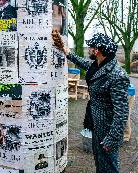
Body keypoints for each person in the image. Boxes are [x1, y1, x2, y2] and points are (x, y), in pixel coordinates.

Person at [53, 32, 130, 173]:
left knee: (110, 166)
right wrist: (66, 51)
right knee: (100, 163)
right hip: (95, 123)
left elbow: (122, 113)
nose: (88, 49)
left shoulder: (116, 74)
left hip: (107, 129)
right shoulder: (98, 64)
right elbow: (83, 62)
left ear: (97, 50)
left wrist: (112, 139)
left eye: (90, 47)